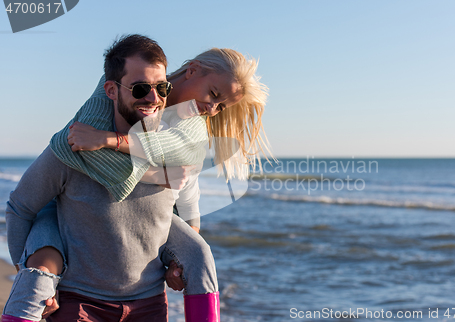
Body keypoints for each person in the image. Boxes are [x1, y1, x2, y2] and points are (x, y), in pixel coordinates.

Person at [3, 35, 271, 322]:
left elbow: (189, 214)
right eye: (141, 88)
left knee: (201, 255)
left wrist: (176, 264)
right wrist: (31, 277)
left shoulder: (185, 149)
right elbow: (22, 207)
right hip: (81, 302)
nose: (153, 98)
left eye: (161, 89)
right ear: (112, 90)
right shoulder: (79, 144)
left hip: (149, 303)